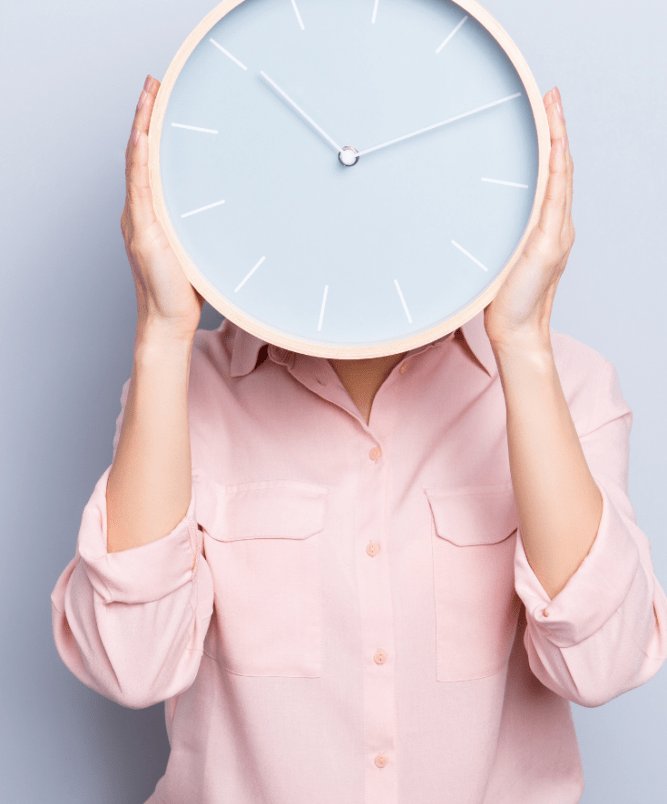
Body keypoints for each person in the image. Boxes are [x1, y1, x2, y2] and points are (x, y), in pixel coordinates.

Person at [52, 75, 667, 804]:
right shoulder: (186, 394)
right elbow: (132, 666)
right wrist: (160, 331)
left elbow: (600, 666)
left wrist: (522, 344)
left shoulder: (565, 384)